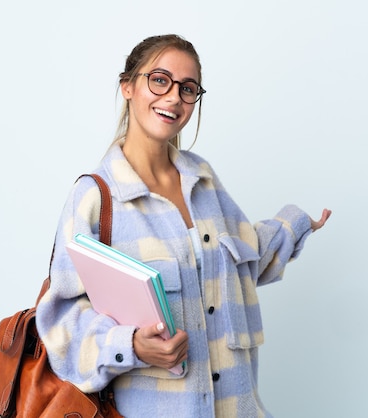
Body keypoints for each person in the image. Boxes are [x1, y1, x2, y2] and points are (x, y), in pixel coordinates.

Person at [36, 34, 331, 417]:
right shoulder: (95, 198)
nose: (174, 97)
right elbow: (60, 323)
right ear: (128, 86)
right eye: (159, 80)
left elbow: (244, 259)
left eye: (187, 88)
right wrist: (132, 345)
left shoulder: (203, 180)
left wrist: (295, 225)